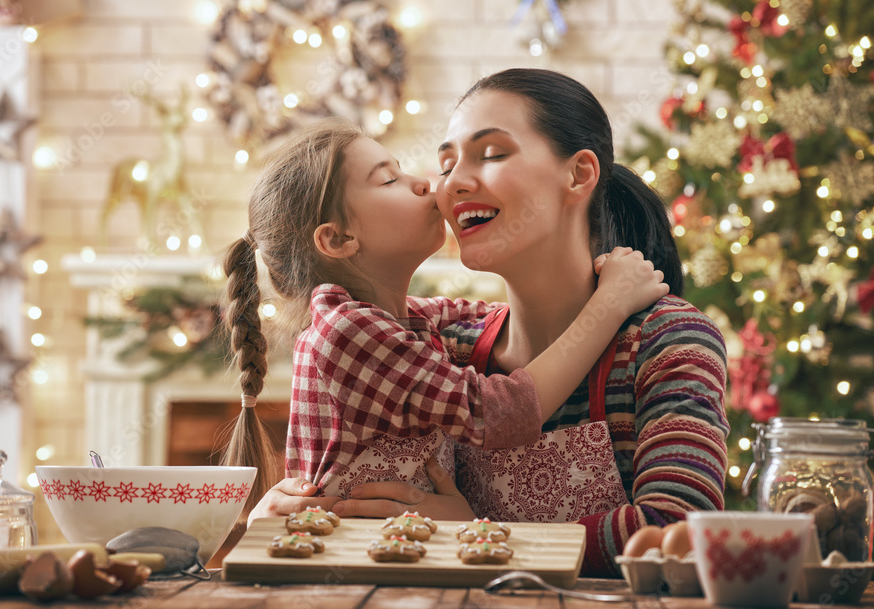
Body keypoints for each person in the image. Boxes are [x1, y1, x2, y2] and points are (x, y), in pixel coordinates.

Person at [253, 70, 730, 578]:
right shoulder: (444, 346)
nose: (448, 183)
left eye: (493, 153)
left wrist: (476, 533)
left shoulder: (665, 340)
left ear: (579, 174)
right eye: (446, 163)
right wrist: (272, 516)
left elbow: (677, 531)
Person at [221, 118, 669, 513]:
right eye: (389, 180)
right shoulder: (346, 331)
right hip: (351, 561)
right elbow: (499, 413)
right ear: (338, 239)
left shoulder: (409, 319)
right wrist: (607, 306)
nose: (428, 185)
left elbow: (505, 308)